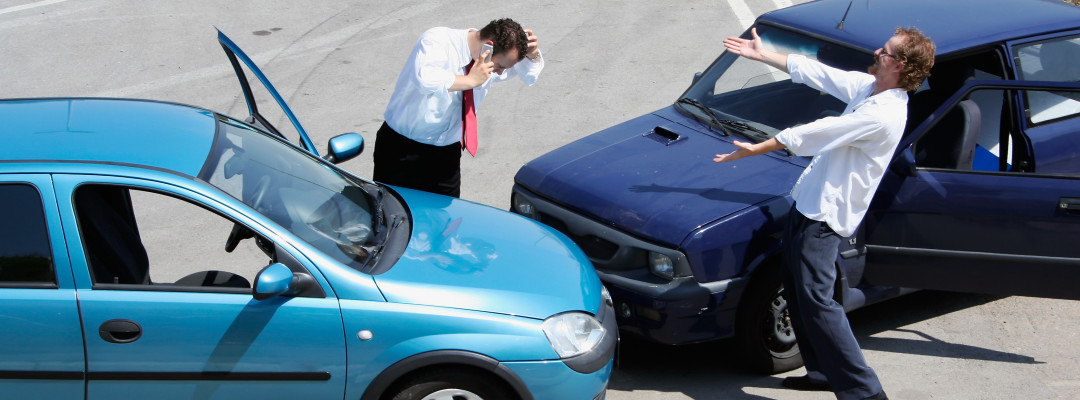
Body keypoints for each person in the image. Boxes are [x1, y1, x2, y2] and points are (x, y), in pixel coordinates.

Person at [714, 26, 935, 400]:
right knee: (800, 294)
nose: (877, 51)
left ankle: (865, 391)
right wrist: (762, 54)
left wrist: (760, 148)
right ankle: (821, 371)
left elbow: (823, 130)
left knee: (818, 301)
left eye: (885, 51)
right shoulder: (870, 89)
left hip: (825, 219)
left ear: (898, 65)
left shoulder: (884, 113)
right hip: (809, 204)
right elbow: (820, 73)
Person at [373, 18, 543, 198]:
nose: (500, 72)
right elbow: (425, 79)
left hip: (446, 154)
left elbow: (529, 76)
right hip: (402, 149)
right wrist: (470, 80)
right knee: (391, 216)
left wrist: (533, 55)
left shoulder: (487, 62)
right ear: (488, 47)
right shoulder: (437, 40)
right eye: (500, 66)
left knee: (447, 219)